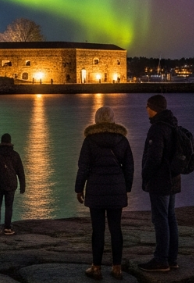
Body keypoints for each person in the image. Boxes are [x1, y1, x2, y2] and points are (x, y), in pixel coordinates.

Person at [75, 107, 134, 280]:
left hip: (95, 189)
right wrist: (126, 188)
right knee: (116, 229)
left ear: (96, 120)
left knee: (98, 230)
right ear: (113, 119)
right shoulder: (122, 140)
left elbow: (83, 167)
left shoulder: (89, 140)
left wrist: (79, 188)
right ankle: (117, 268)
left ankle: (96, 267)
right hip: (116, 188)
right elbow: (129, 167)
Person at [139, 94, 180, 272]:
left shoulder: (157, 129)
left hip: (160, 180)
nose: (146, 109)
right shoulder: (172, 125)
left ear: (154, 108)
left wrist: (145, 175)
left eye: (148, 106)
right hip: (173, 178)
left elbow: (154, 157)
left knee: (161, 219)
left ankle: (161, 260)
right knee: (170, 218)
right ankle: (172, 259)